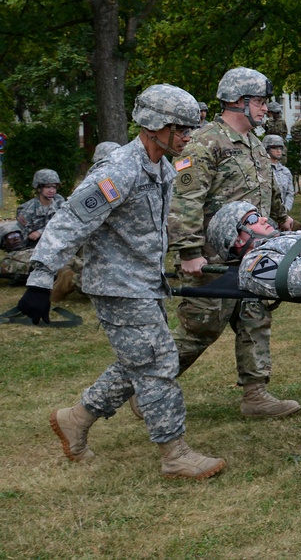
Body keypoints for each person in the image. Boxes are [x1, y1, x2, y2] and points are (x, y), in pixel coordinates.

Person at [15, 84, 224, 479]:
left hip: (144, 281)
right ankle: (175, 454)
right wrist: (39, 281)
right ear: (154, 126)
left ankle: (75, 419)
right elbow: (70, 221)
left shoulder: (161, 166)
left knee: (136, 360)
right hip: (116, 285)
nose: (187, 137)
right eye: (181, 129)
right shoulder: (119, 170)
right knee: (158, 362)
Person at [168, 66, 300, 419]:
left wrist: (282, 216)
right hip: (212, 258)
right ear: (238, 101)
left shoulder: (255, 143)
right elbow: (185, 199)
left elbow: (265, 188)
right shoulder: (205, 141)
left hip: (251, 253)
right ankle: (149, 385)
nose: (265, 109)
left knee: (255, 318)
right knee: (200, 328)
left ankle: (256, 395)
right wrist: (189, 251)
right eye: (259, 101)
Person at [16, 169, 65, 248]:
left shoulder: (59, 201)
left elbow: (65, 224)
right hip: (35, 249)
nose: (52, 191)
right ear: (39, 188)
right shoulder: (26, 210)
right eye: (48, 187)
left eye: (54, 187)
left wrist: (40, 231)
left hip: (58, 244)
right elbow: (24, 238)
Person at [264, 134, 295, 212]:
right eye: (274, 148)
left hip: (282, 215)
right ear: (267, 149)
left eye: (280, 148)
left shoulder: (285, 171)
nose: (278, 151)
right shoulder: (261, 169)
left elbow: (290, 193)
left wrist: (286, 209)